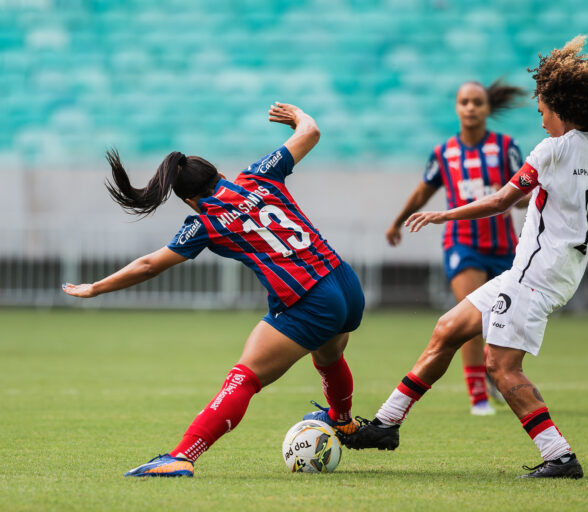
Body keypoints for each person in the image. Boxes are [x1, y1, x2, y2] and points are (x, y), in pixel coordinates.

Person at [339, 36, 588, 479]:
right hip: (551, 273)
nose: (542, 122)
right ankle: (387, 424)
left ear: (561, 106)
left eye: (543, 113)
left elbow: (499, 202)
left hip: (535, 276)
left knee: (500, 366)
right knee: (448, 329)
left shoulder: (552, 150)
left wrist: (445, 214)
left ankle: (560, 456)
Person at [62, 103, 365, 477]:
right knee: (329, 355)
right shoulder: (260, 174)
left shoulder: (205, 222)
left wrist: (95, 288)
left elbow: (148, 265)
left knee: (244, 377)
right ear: (220, 173)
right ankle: (344, 421)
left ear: (189, 200)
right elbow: (311, 132)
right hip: (346, 282)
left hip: (309, 298)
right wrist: (298, 116)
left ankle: (181, 457)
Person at [385, 79, 527, 415]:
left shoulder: (506, 148)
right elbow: (422, 193)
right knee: (471, 317)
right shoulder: (444, 153)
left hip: (504, 245)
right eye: (465, 102)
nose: (471, 108)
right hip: (463, 243)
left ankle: (495, 375)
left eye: (477, 102)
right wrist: (397, 221)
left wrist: (518, 199)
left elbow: (523, 193)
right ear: (457, 107)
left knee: (502, 321)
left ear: (487, 108)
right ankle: (477, 394)